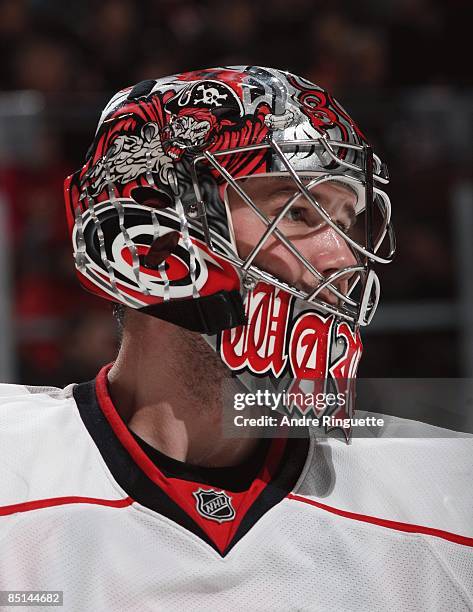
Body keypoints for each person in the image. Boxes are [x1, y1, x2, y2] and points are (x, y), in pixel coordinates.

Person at [0, 66, 471, 611]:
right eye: (296, 212)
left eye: (348, 221)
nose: (342, 257)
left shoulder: (444, 494)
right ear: (150, 239)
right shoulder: (16, 470)